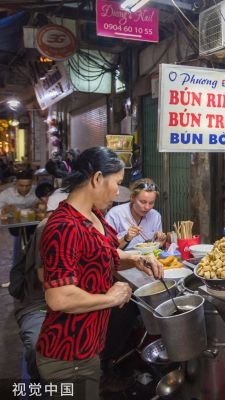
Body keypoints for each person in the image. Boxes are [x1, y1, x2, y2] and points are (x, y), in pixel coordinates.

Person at [36, 147, 163, 400]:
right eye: (116, 183)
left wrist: (137, 258)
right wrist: (112, 298)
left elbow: (105, 255)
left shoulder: (93, 216)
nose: (118, 191)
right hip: (67, 355)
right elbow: (59, 298)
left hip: (88, 349)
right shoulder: (64, 226)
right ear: (96, 179)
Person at [11, 189, 68, 380]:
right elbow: (47, 278)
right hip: (39, 305)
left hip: (68, 300)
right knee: (39, 348)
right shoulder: (49, 229)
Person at [105, 178, 166, 250]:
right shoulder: (115, 214)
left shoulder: (155, 216)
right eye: (142, 202)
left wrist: (158, 243)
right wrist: (126, 238)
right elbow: (107, 249)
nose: (147, 207)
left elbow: (154, 248)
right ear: (132, 198)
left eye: (151, 203)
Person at [0, 169, 38, 266]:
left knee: (35, 243)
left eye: (28, 185)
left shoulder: (36, 191)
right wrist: (3, 210)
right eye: (21, 185)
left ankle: (31, 263)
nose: (24, 188)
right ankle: (18, 264)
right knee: (18, 242)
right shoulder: (7, 194)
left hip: (32, 223)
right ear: (16, 183)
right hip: (15, 225)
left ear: (32, 183)